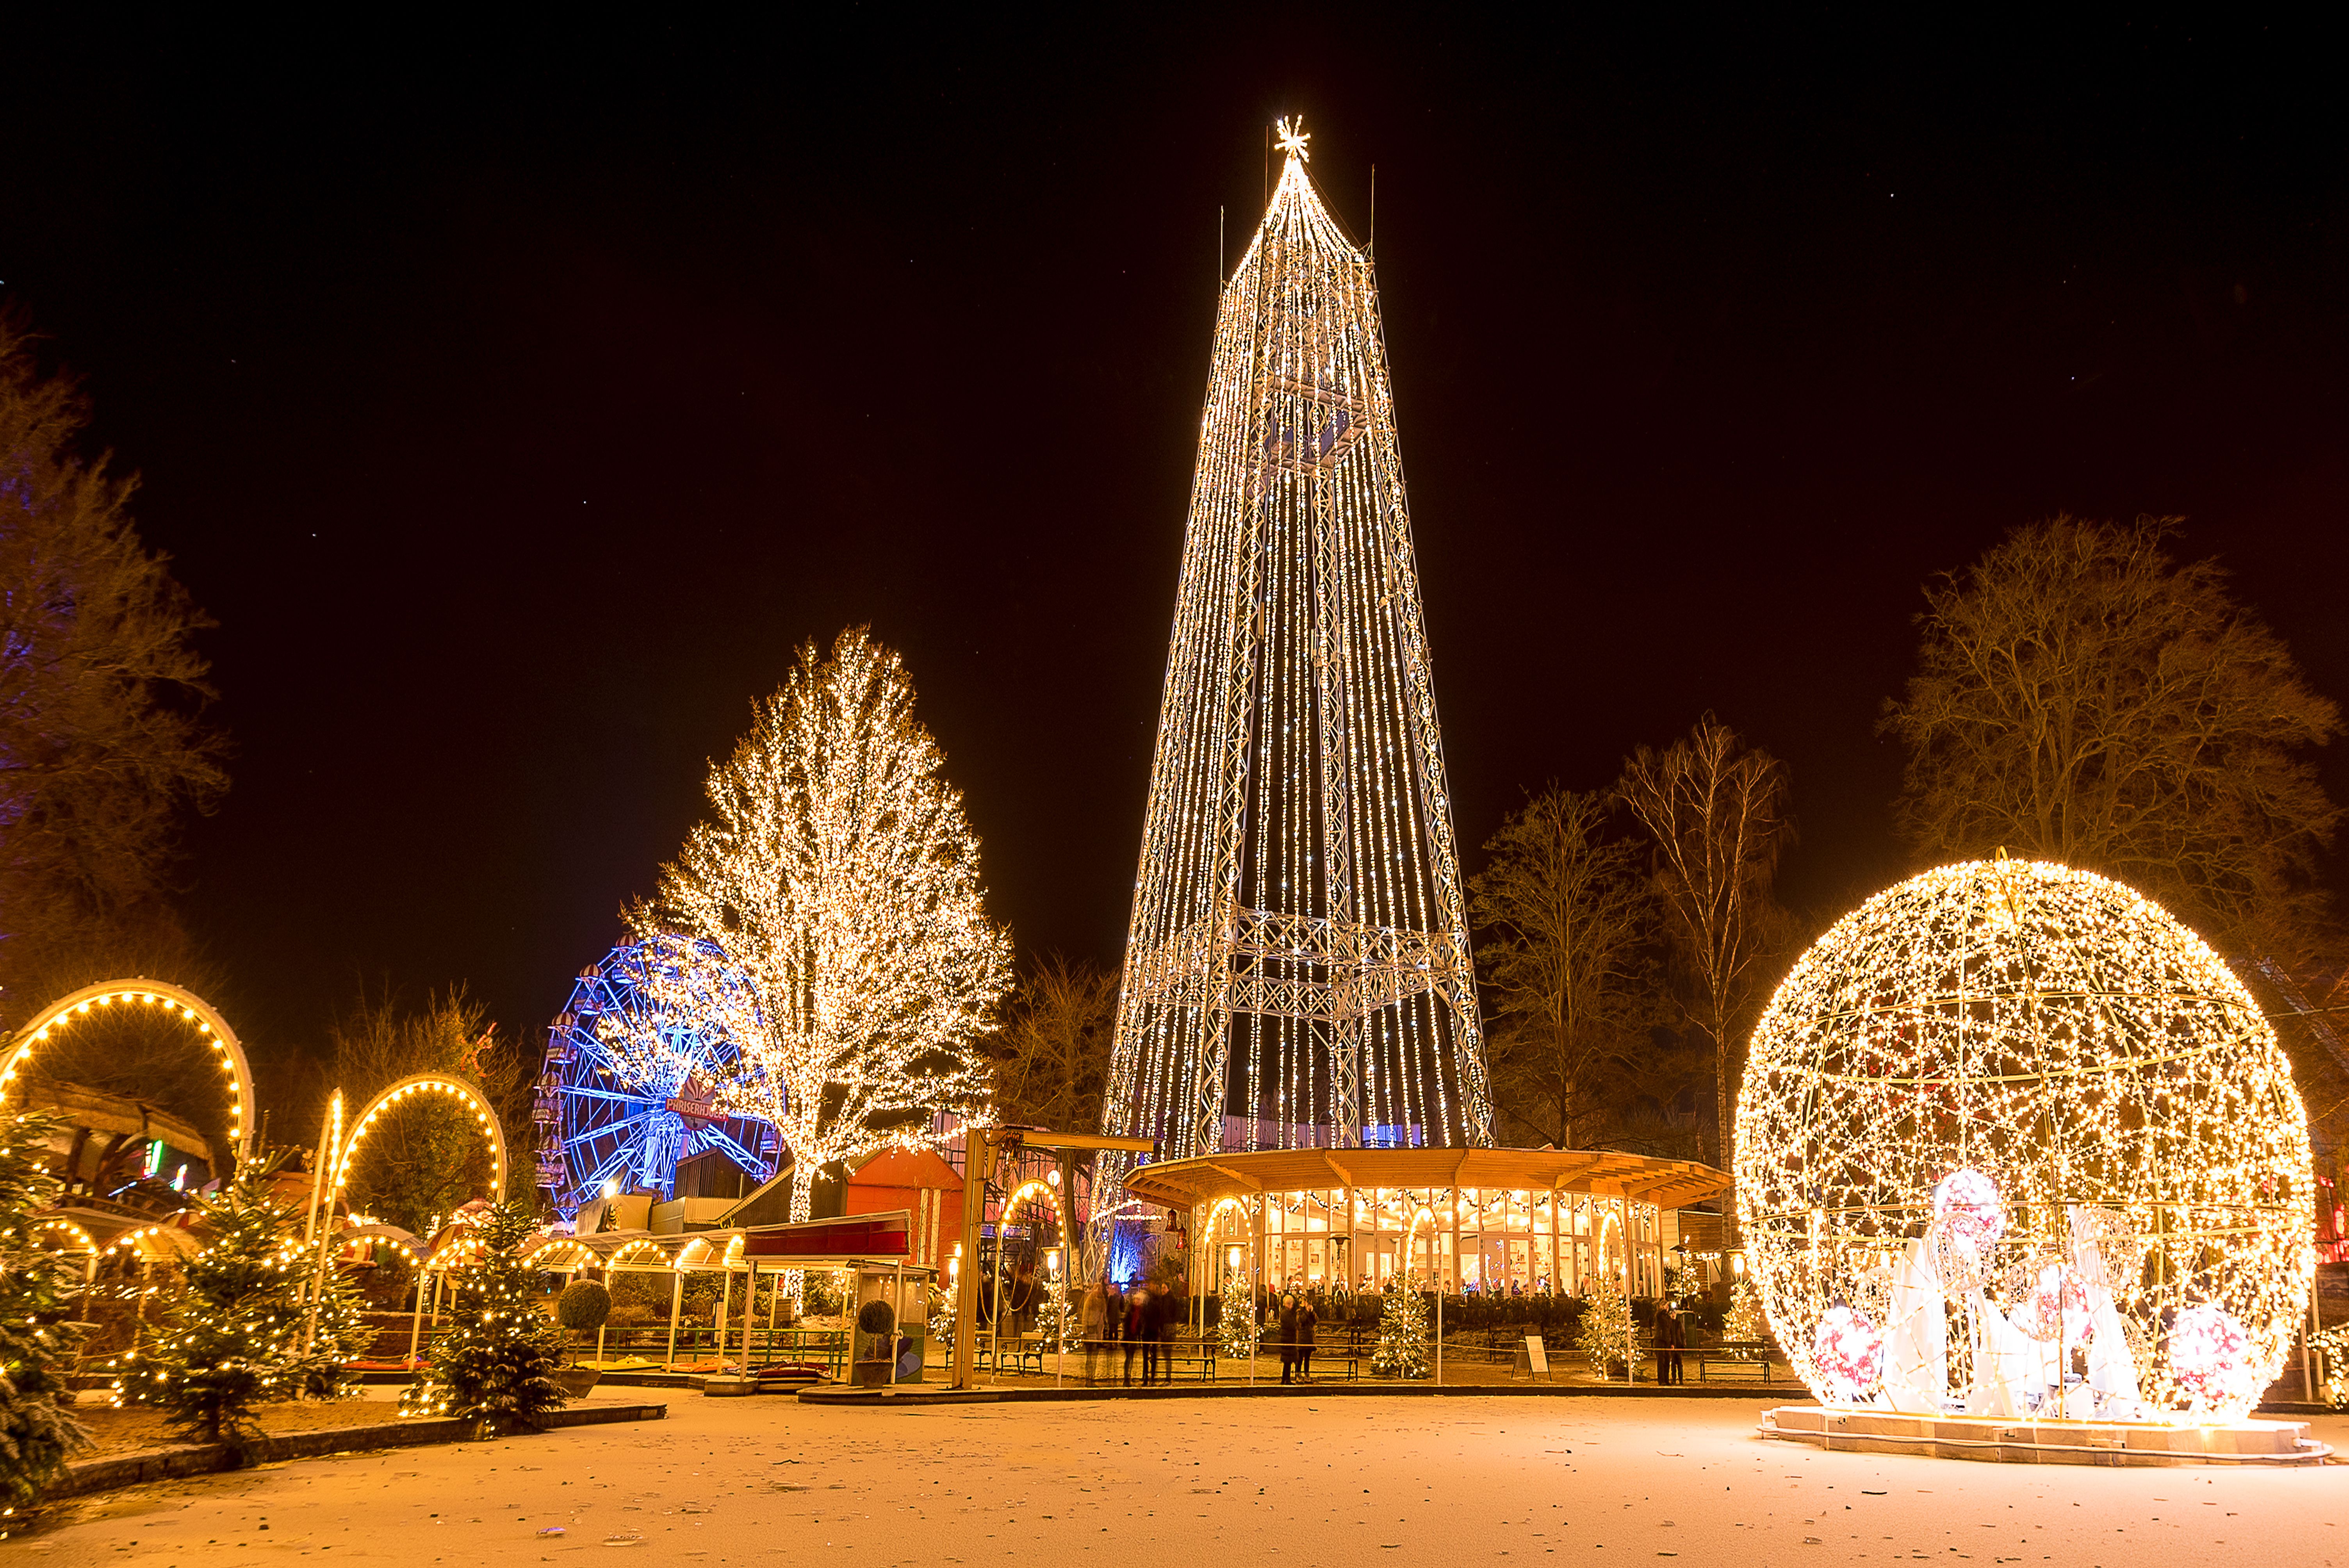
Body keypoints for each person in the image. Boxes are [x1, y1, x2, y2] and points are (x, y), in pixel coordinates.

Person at [1080, 1275, 1110, 1386]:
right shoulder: (1090, 1300)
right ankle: (1088, 1378)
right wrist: (1085, 1329)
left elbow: (1104, 1317)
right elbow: (1085, 1315)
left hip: (1098, 1332)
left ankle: (1092, 1377)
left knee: (1095, 1357)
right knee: (1090, 1357)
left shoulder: (1102, 1302)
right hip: (1090, 1330)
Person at [1122, 1281, 1149, 1385]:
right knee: (1129, 1358)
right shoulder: (1131, 1312)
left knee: (1131, 1358)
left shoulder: (1141, 1313)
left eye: (1139, 1300)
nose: (1137, 1301)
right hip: (1129, 1337)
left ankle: (1129, 1376)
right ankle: (1127, 1377)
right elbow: (1127, 1325)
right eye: (1136, 1300)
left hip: (1134, 1337)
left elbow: (1141, 1325)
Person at [1295, 1293, 1320, 1383]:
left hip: (1310, 1338)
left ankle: (1307, 1375)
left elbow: (1316, 1321)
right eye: (1304, 1302)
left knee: (1308, 1359)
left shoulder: (1310, 1312)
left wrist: (1312, 1312)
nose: (1305, 1304)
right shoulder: (1299, 1312)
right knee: (1300, 1358)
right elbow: (1301, 1320)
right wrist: (1307, 1311)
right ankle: (1298, 1375)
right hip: (1302, 1338)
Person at [1276, 1293, 1300, 1384]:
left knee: (1288, 1361)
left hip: (1287, 1338)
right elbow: (1292, 1325)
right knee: (1288, 1361)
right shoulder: (1287, 1314)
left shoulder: (1285, 1313)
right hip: (1288, 1339)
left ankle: (1285, 1378)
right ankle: (1287, 1379)